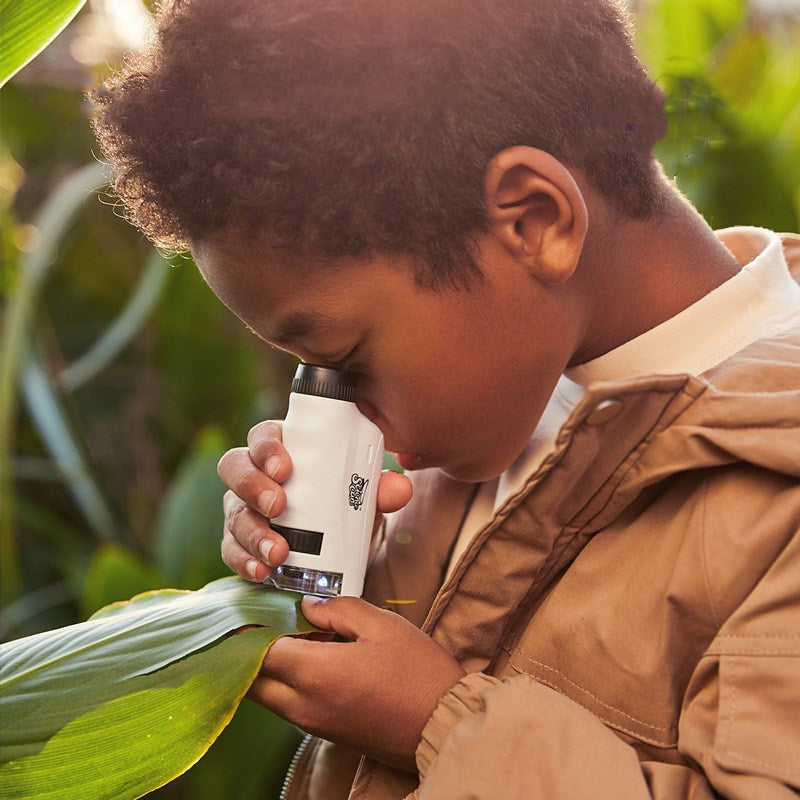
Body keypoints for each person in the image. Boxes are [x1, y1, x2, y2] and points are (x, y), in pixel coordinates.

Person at [89, 0, 800, 797]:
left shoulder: (779, 483)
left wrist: (437, 722)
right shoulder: (510, 393)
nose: (341, 409)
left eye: (344, 361)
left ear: (535, 219)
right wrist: (334, 567)